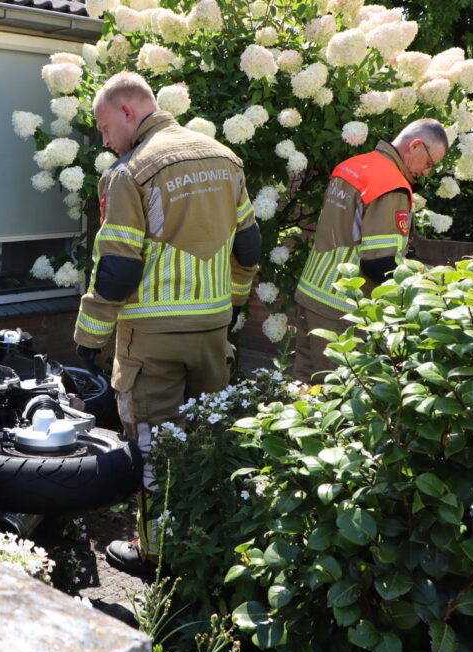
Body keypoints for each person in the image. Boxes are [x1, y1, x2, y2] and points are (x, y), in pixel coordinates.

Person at [74, 72, 261, 575]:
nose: (104, 137)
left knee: (153, 450)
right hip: (212, 335)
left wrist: (89, 339)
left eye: (104, 124)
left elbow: (116, 270)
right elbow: (249, 246)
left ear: (129, 112)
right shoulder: (225, 159)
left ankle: (157, 554)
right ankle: (214, 545)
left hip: (151, 345)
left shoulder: (128, 172)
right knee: (207, 442)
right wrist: (233, 303)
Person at [293, 119, 448, 383]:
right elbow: (379, 264)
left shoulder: (352, 166)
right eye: (430, 163)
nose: (426, 173)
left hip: (312, 293)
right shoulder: (391, 185)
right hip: (342, 311)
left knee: (303, 385)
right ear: (416, 146)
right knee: (335, 398)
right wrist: (429, 282)